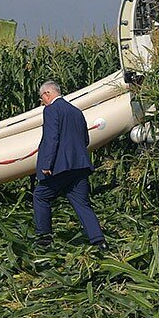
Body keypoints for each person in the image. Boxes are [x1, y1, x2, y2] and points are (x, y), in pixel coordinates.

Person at [33, 80, 108, 250]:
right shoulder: (76, 112)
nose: (42, 102)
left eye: (41, 98)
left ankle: (44, 238)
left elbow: (52, 138)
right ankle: (99, 241)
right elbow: (85, 139)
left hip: (61, 166)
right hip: (80, 165)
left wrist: (46, 163)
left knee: (40, 195)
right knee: (81, 203)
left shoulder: (51, 110)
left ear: (47, 94)